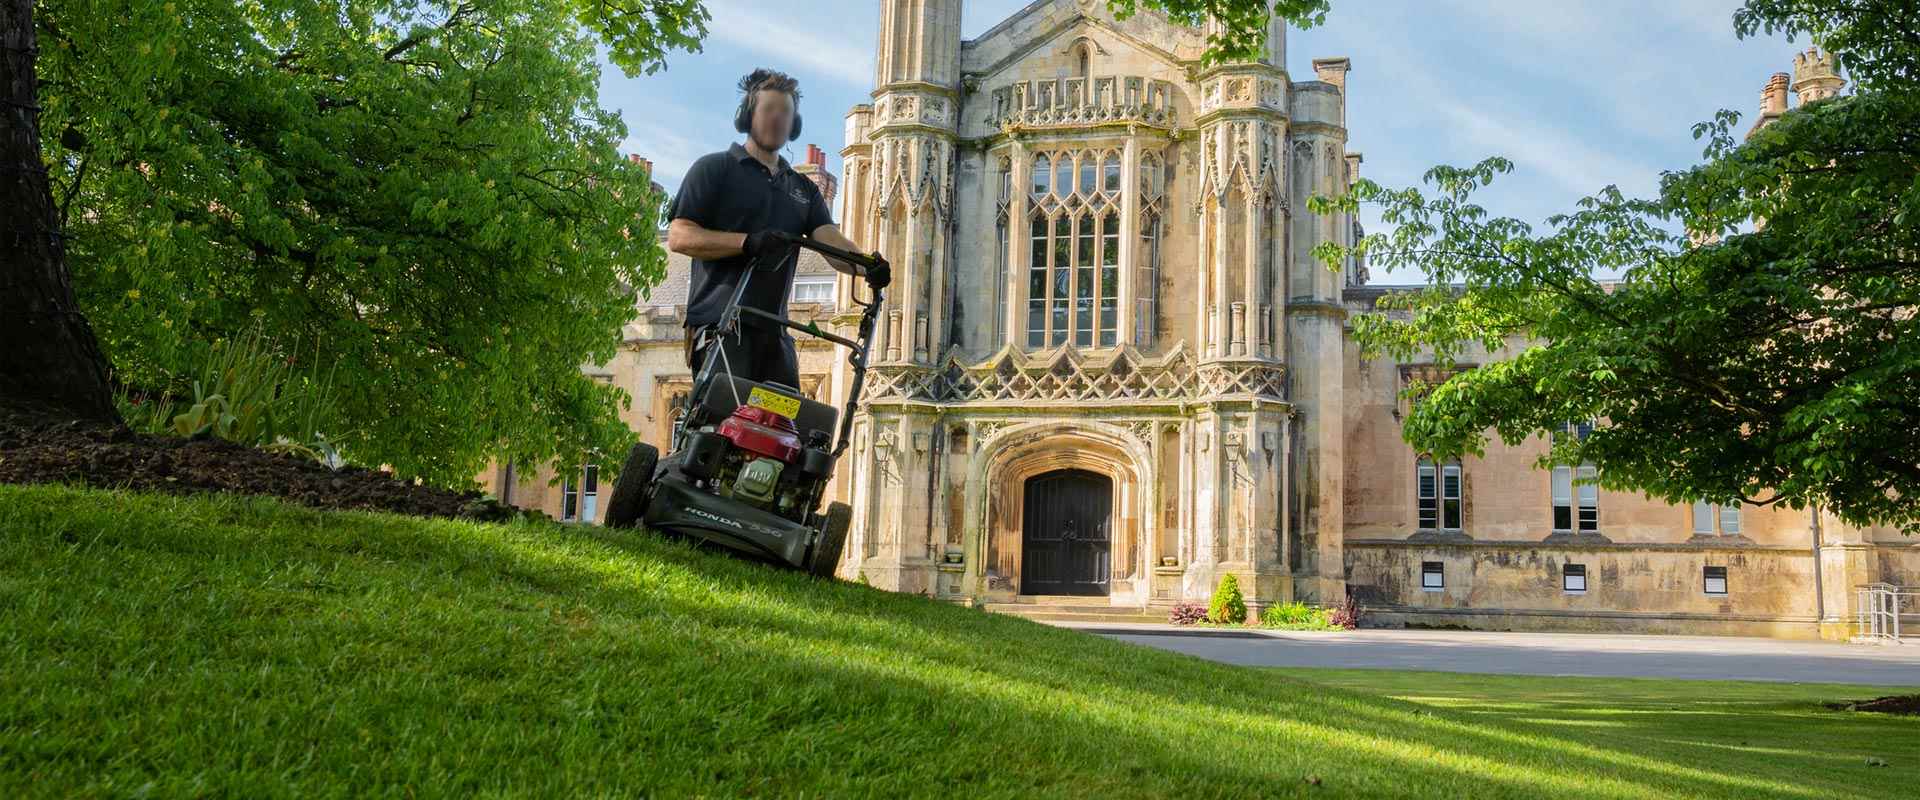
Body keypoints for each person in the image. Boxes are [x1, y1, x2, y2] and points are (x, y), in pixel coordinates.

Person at [665, 67, 890, 391]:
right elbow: (680, 236)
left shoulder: (801, 189)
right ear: (748, 116)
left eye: (785, 112)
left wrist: (867, 264)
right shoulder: (714, 170)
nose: (777, 118)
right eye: (768, 109)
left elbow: (829, 241)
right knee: (729, 425)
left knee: (790, 430)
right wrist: (747, 243)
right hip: (721, 326)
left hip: (774, 331)